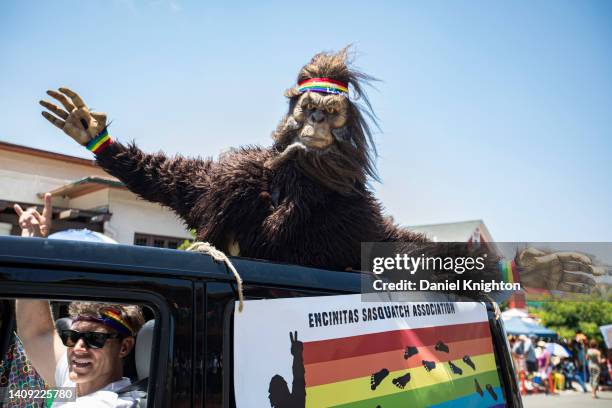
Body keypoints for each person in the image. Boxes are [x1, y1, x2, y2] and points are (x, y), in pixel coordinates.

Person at [16, 300, 145, 407]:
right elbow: (35, 332)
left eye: (94, 338)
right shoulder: (78, 380)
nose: (78, 347)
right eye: (72, 336)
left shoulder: (112, 403)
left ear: (124, 347)